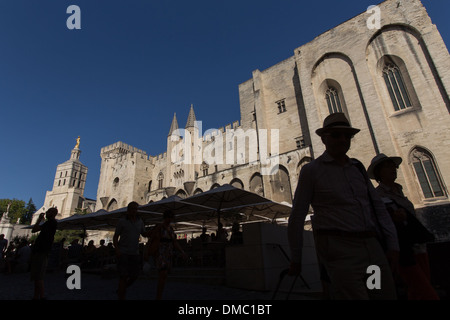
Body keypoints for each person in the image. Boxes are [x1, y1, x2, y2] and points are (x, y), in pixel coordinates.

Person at [288, 112, 399, 300]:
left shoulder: (357, 167)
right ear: (323, 138)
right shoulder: (312, 170)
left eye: (347, 136)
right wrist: (296, 258)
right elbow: (297, 216)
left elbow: (377, 207)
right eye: (336, 134)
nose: (343, 139)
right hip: (341, 253)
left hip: (372, 250)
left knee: (381, 294)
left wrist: (393, 245)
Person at [367, 153, 439, 300]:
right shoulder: (378, 196)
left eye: (393, 166)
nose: (393, 169)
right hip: (402, 250)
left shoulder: (399, 190)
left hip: (419, 247)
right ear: (379, 172)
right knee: (426, 293)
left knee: (417, 291)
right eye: (388, 167)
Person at [113, 201, 150, 300]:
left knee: (135, 275)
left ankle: (121, 290)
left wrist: (155, 231)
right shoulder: (122, 221)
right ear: (128, 210)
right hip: (123, 252)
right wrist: (117, 249)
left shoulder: (140, 221)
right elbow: (115, 236)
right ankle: (122, 296)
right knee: (123, 276)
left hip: (135, 253)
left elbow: (144, 233)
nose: (134, 211)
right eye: (132, 209)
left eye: (136, 209)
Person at [149, 210, 187, 300]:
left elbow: (174, 242)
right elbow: (152, 239)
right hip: (160, 252)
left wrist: (182, 251)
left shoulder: (171, 229)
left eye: (171, 218)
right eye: (168, 217)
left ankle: (159, 294)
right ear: (165, 218)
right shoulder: (159, 227)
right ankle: (158, 296)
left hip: (168, 253)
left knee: (164, 275)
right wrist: (148, 252)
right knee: (163, 273)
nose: (169, 220)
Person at [30, 207, 58, 300]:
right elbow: (34, 230)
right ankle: (36, 296)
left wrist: (40, 220)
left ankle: (41, 296)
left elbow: (36, 230)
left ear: (53, 213)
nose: (46, 212)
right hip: (40, 251)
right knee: (36, 276)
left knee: (38, 276)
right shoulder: (48, 222)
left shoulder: (52, 222)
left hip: (43, 250)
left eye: (49, 211)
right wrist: (39, 220)